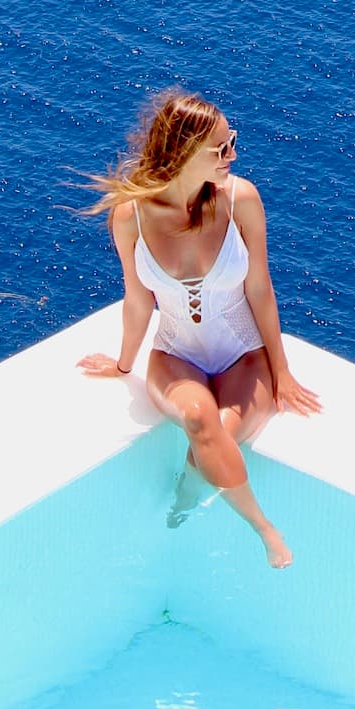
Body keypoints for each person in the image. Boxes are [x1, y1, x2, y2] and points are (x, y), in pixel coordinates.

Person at [78, 88, 321, 566]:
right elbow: (137, 300)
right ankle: (264, 528)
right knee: (198, 420)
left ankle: (180, 509)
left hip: (244, 355)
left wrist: (283, 370)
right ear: (185, 152)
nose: (233, 153)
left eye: (232, 140)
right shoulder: (130, 217)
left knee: (217, 436)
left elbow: (261, 290)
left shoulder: (241, 200)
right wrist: (123, 364)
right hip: (175, 355)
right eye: (222, 147)